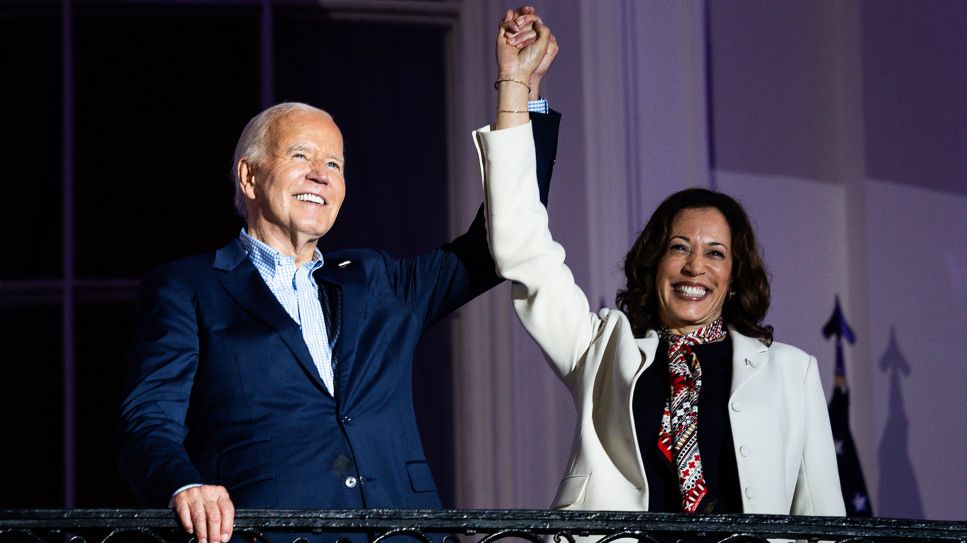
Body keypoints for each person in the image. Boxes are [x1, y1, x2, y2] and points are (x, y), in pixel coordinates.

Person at [118, 9, 559, 543]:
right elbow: (148, 423)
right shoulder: (188, 288)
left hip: (404, 534)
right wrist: (184, 486)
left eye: (335, 165)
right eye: (300, 155)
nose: (320, 175)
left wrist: (519, 90)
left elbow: (498, 243)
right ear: (250, 175)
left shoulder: (375, 280)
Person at [472, 25, 846, 517]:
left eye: (716, 253)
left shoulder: (793, 373)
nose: (696, 265)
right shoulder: (602, 351)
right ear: (654, 264)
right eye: (679, 247)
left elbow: (822, 518)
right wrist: (517, 85)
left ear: (735, 276)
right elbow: (521, 245)